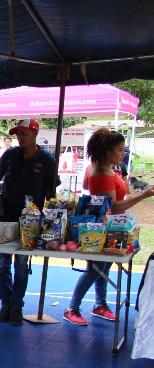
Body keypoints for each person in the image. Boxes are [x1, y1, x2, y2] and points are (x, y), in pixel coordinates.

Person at [64, 128, 154, 326]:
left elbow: (86, 186)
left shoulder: (96, 167)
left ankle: (100, 304)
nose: (123, 154)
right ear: (107, 152)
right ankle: (72, 308)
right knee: (96, 269)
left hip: (107, 227)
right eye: (120, 150)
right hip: (104, 228)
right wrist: (144, 195)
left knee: (102, 268)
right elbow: (113, 206)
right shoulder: (103, 173)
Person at [0, 118, 58, 326]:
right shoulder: (10, 155)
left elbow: (51, 194)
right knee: (3, 263)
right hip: (5, 215)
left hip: (30, 221)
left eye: (24, 133)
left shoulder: (48, 161)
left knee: (21, 264)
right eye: (18, 134)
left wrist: (49, 218)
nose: (20, 137)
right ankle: (5, 304)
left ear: (35, 133)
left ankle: (16, 306)